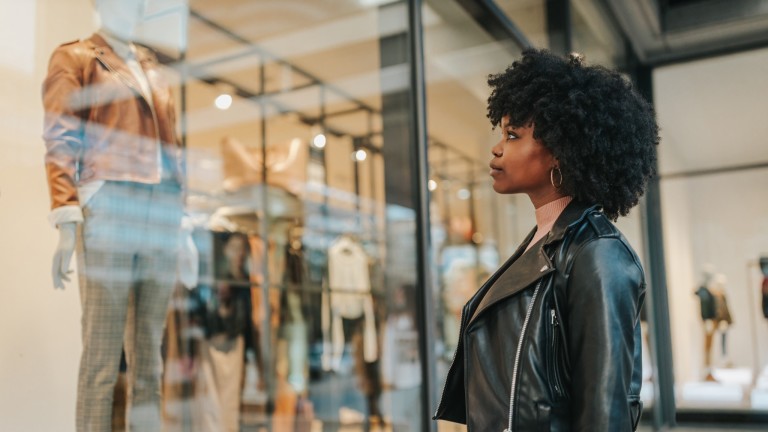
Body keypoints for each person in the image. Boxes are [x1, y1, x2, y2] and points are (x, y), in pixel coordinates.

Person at [433, 49, 659, 431]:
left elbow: (605, 413)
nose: (497, 147)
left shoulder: (596, 253)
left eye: (513, 134)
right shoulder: (541, 242)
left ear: (559, 150)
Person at [42, 0, 184, 430]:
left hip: (160, 210)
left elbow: (172, 148)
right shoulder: (77, 57)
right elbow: (60, 135)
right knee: (103, 357)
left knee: (150, 363)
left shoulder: (152, 66)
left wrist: (184, 224)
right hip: (110, 205)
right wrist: (67, 217)